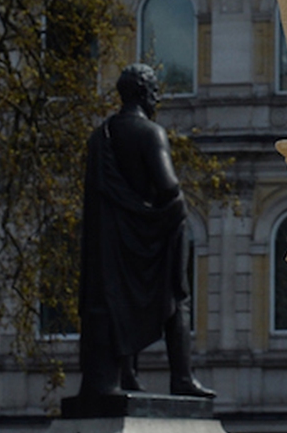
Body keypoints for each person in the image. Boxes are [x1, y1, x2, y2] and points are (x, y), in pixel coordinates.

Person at [75, 63, 213, 399]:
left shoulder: (99, 137)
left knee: (119, 302)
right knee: (176, 298)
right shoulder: (150, 133)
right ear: (142, 93)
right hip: (149, 235)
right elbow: (167, 186)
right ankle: (181, 377)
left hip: (111, 245)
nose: (156, 98)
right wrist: (176, 210)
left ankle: (126, 374)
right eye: (153, 91)